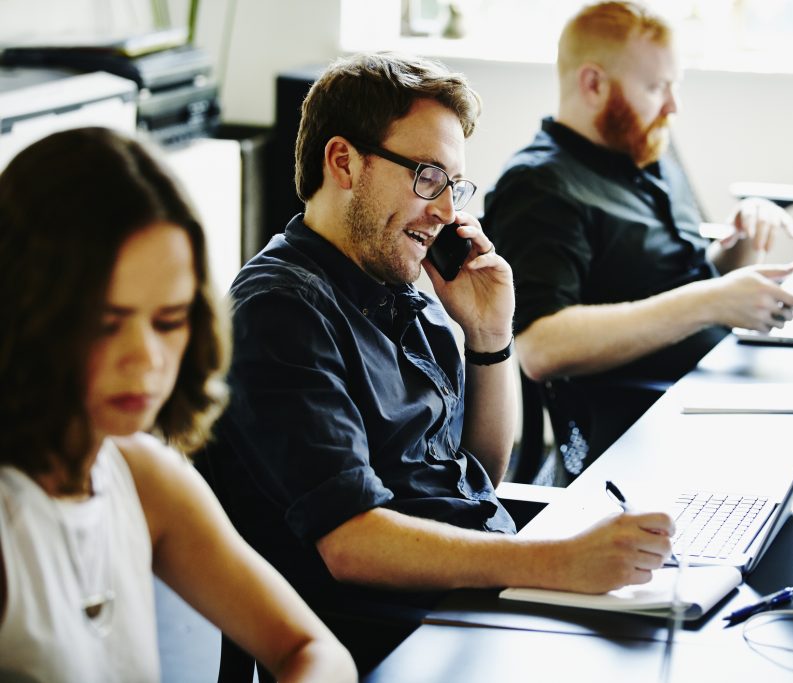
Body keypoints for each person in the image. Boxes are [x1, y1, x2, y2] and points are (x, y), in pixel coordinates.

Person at [200, 52, 674, 673]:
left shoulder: (401, 295)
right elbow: (352, 541)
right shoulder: (280, 313)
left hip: (467, 597)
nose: (448, 211)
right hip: (397, 641)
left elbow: (478, 472)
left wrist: (489, 336)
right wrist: (557, 563)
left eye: (454, 186)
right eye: (427, 177)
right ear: (343, 161)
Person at [0, 127, 357, 683]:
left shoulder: (142, 478)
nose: (145, 359)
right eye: (104, 324)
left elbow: (314, 650)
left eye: (169, 321)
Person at [483, 1, 793, 466]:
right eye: (656, 87)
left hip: (704, 383)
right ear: (594, 83)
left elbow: (686, 278)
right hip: (639, 429)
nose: (673, 106)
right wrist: (711, 301)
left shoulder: (645, 149)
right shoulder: (540, 186)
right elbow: (541, 347)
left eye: (674, 86)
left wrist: (739, 240)